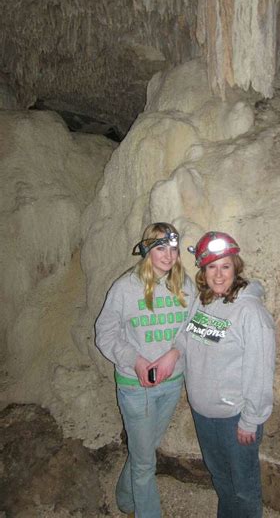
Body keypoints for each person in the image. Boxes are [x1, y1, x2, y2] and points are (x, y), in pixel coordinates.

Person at [156, 230, 276, 518]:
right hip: (204, 415)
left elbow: (260, 372)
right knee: (221, 479)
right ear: (203, 270)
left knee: (243, 487)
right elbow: (189, 334)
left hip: (235, 420)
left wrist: (250, 420)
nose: (219, 275)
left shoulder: (250, 313)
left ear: (236, 267)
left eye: (225, 266)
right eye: (212, 267)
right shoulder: (205, 300)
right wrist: (173, 354)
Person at [95, 222, 195, 518]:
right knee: (144, 463)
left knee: (145, 449)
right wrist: (136, 360)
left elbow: (194, 325)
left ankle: (125, 499)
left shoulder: (185, 285)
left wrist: (174, 353)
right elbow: (106, 332)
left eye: (173, 249)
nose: (168, 255)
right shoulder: (125, 288)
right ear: (146, 250)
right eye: (160, 248)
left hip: (171, 382)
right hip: (134, 386)